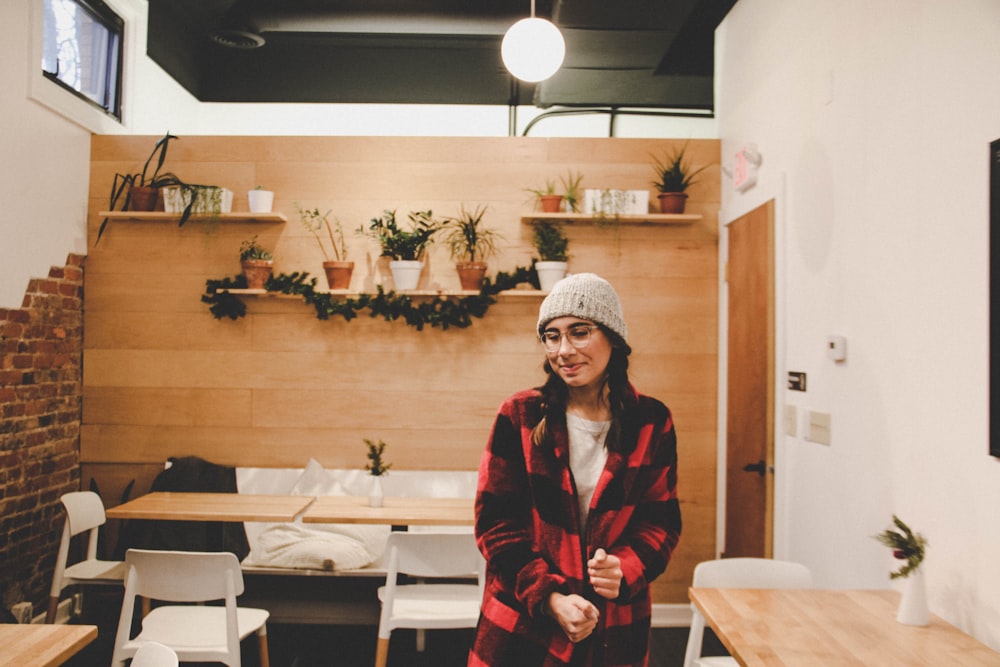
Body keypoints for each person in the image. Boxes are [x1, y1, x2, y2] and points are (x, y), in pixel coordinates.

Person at [470, 273, 682, 667]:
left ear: (613, 338)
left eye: (579, 332)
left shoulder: (652, 421)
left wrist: (626, 568)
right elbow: (496, 524)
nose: (563, 350)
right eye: (552, 336)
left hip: (613, 623)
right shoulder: (520, 415)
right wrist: (549, 597)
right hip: (523, 622)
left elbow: (661, 520)